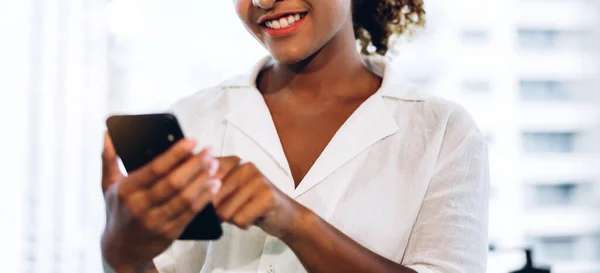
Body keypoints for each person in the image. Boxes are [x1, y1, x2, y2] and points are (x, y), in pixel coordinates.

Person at [100, 0, 490, 272]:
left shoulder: (443, 133)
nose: (263, 0)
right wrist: (124, 256)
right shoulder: (192, 118)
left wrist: (295, 222)